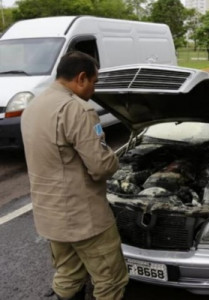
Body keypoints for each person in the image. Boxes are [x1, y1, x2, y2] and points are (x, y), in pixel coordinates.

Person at [21, 51, 129, 300]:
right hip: (84, 219)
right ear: (81, 78)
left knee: (68, 276)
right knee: (111, 281)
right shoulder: (78, 110)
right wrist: (115, 160)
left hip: (50, 215)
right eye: (94, 82)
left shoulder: (34, 105)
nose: (94, 89)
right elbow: (101, 166)